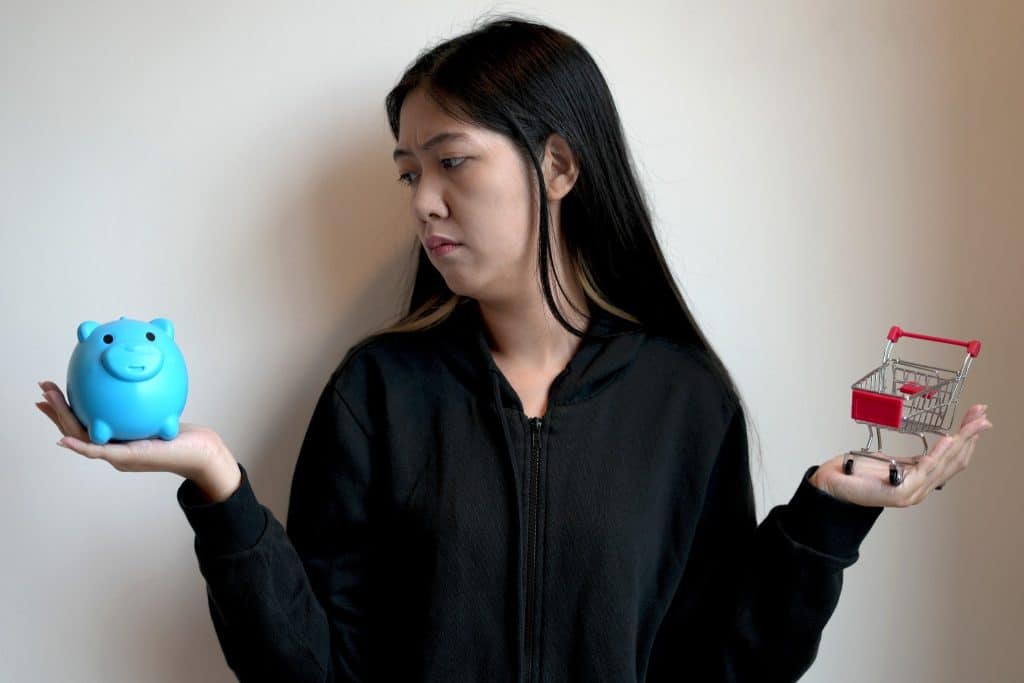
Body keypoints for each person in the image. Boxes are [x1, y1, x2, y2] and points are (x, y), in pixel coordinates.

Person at [36, 14, 993, 683]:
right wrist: (218, 486)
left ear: (561, 165)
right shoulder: (378, 390)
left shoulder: (684, 398)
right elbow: (315, 670)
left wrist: (825, 518)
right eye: (409, 171)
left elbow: (718, 669)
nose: (421, 201)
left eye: (452, 161)